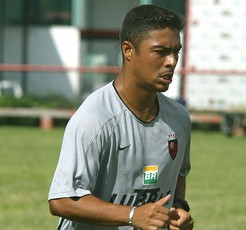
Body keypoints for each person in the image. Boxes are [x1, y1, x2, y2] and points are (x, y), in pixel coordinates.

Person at [48, 4, 194, 230]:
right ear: (128, 50)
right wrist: (133, 215)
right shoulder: (95, 119)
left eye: (176, 51)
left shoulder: (178, 118)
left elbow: (178, 176)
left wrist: (180, 207)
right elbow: (62, 200)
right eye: (161, 51)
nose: (172, 61)